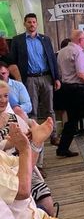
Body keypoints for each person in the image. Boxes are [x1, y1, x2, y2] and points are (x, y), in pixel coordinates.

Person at [9, 13, 60, 146]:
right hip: (29, 79)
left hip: (46, 77)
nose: (32, 24)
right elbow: (12, 62)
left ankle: (54, 136)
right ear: (24, 24)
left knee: (50, 109)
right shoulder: (17, 40)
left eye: (34, 22)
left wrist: (56, 78)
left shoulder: (45, 39)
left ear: (37, 24)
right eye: (29, 22)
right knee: (32, 109)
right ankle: (34, 137)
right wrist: (18, 80)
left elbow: (52, 59)